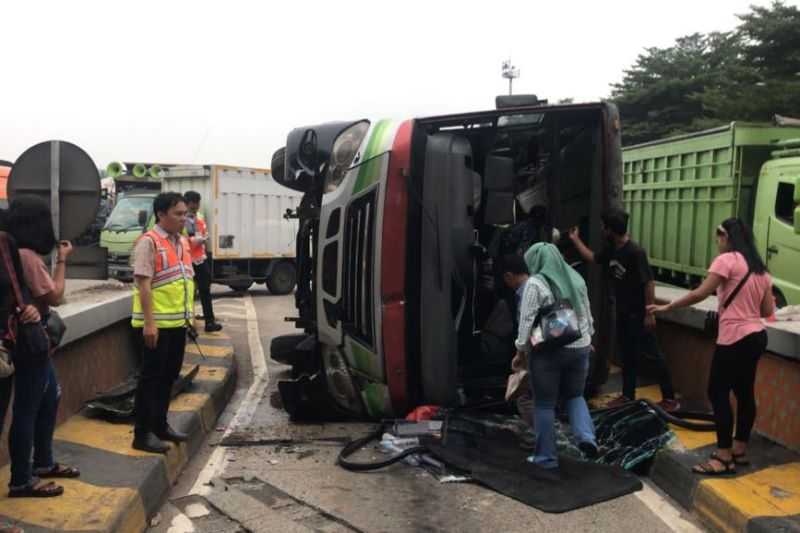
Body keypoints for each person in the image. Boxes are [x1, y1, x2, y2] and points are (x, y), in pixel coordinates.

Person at [649, 218, 774, 475]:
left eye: (719, 234)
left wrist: (666, 307)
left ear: (728, 237)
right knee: (744, 393)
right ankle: (739, 450)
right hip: (756, 337)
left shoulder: (727, 260)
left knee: (717, 392)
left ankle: (722, 457)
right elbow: (767, 311)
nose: (717, 239)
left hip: (734, 337)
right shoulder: (761, 270)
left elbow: (699, 293)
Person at [5, 195, 80, 498]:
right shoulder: (28, 257)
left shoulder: (12, 251)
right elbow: (56, 296)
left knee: (49, 398)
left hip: (29, 340)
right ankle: (22, 479)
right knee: (28, 409)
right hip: (30, 341)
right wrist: (63, 260)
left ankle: (43, 463)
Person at [569, 209, 679, 411]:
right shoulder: (611, 249)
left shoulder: (635, 252)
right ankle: (628, 395)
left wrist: (649, 312)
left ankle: (670, 398)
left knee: (653, 355)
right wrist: (575, 239)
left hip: (638, 314)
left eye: (604, 227)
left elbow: (649, 283)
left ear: (611, 229)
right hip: (623, 313)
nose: (602, 230)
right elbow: (593, 258)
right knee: (627, 355)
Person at [513, 242, 598, 469]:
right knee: (575, 396)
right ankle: (587, 438)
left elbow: (526, 322)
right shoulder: (576, 278)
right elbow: (586, 314)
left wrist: (520, 351)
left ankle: (546, 458)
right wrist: (589, 339)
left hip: (548, 351)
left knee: (544, 405)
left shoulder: (536, 283)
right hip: (580, 347)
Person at [131, 192, 195, 453]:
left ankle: (160, 425)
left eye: (185, 213)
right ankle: (142, 434)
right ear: (161, 214)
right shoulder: (149, 242)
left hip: (177, 325)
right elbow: (144, 285)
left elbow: (183, 282)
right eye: (178, 214)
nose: (184, 218)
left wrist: (189, 319)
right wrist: (149, 324)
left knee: (169, 377)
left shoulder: (181, 242)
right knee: (151, 380)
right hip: (156, 326)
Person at [183, 191, 222, 333]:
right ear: (186, 204)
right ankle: (189, 326)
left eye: (197, 205)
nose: (195, 208)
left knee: (205, 291)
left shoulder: (199, 218)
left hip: (201, 259)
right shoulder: (182, 220)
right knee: (188, 294)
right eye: (193, 206)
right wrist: (193, 240)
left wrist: (203, 238)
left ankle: (209, 322)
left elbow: (203, 232)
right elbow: (181, 239)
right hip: (187, 260)